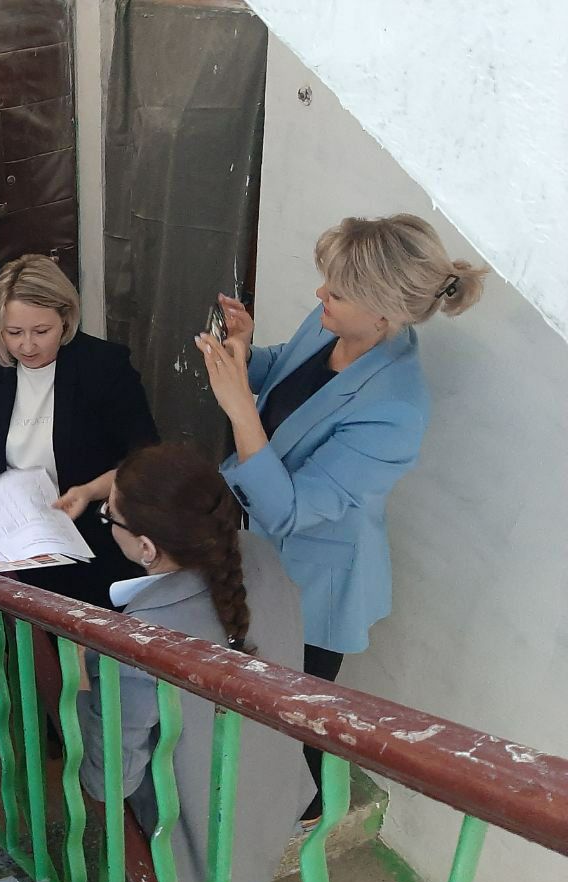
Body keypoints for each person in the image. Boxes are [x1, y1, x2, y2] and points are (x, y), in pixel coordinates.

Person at [195, 213, 486, 822]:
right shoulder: (331, 323)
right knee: (256, 686)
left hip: (317, 581)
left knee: (299, 712)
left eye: (338, 291)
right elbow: (285, 377)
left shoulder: (396, 408)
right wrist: (244, 354)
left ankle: (300, 816)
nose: (320, 294)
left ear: (384, 311)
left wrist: (239, 409)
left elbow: (291, 510)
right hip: (258, 548)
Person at [79, 444, 308, 882]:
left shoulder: (138, 642)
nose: (105, 519)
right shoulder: (257, 552)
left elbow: (109, 779)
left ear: (146, 547)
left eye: (108, 515)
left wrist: (82, 690)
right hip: (267, 797)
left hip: (193, 841)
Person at [0, 254, 159, 610]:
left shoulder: (104, 366)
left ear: (65, 320)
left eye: (41, 331)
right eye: (13, 333)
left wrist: (89, 491)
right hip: (19, 542)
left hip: (91, 542)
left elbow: (145, 460)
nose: (27, 346)